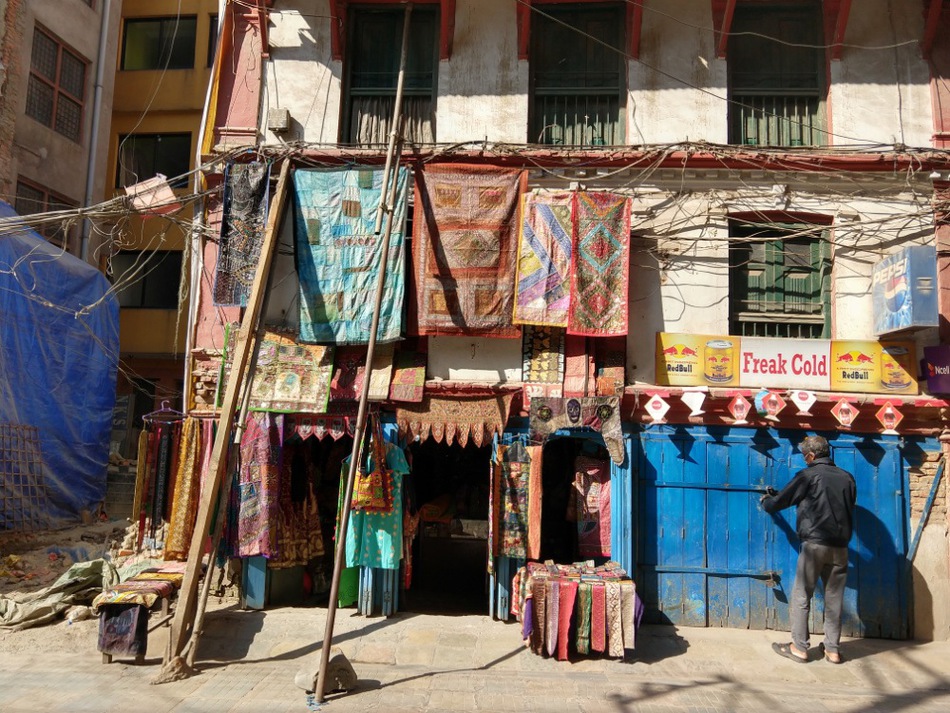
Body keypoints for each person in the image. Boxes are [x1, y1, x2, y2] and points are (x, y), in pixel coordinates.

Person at [760, 435, 857, 665]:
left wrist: (767, 502)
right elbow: (848, 506)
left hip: (814, 547)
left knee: (802, 596)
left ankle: (799, 647)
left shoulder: (808, 476)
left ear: (811, 456)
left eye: (805, 456)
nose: (805, 459)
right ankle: (832, 650)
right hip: (841, 549)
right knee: (834, 599)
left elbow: (781, 501)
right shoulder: (847, 478)